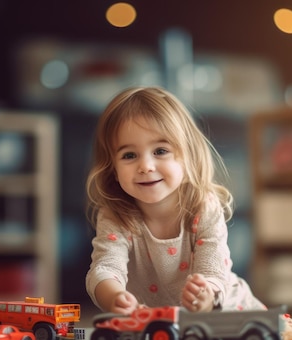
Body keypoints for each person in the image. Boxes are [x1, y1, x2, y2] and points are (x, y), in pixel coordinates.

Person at [84, 85, 274, 317]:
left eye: (160, 151)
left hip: (229, 311)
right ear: (113, 169)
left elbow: (214, 270)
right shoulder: (116, 215)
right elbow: (105, 268)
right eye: (129, 155)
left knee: (279, 335)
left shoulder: (203, 207)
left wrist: (205, 296)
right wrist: (114, 297)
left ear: (187, 157)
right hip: (164, 323)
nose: (145, 166)